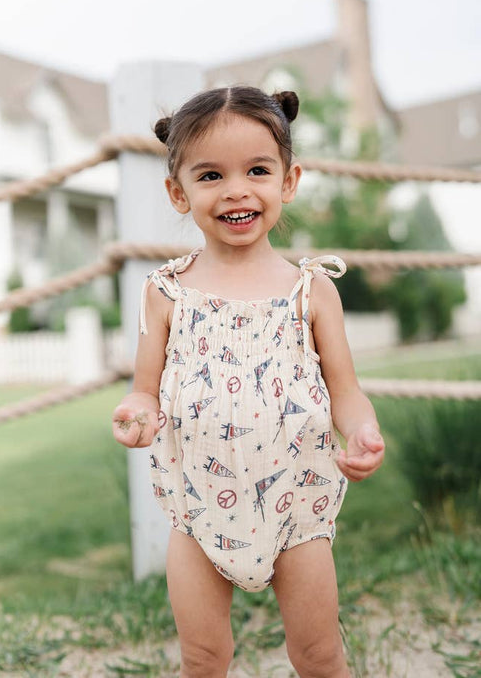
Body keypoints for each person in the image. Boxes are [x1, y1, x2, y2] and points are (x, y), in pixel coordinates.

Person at [112, 86, 385, 678]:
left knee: (318, 655)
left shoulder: (312, 291)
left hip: (297, 503)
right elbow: (145, 386)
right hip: (198, 507)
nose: (237, 189)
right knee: (203, 657)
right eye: (211, 175)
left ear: (288, 181)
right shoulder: (167, 293)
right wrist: (137, 412)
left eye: (257, 170)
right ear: (178, 193)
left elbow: (345, 390)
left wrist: (361, 430)